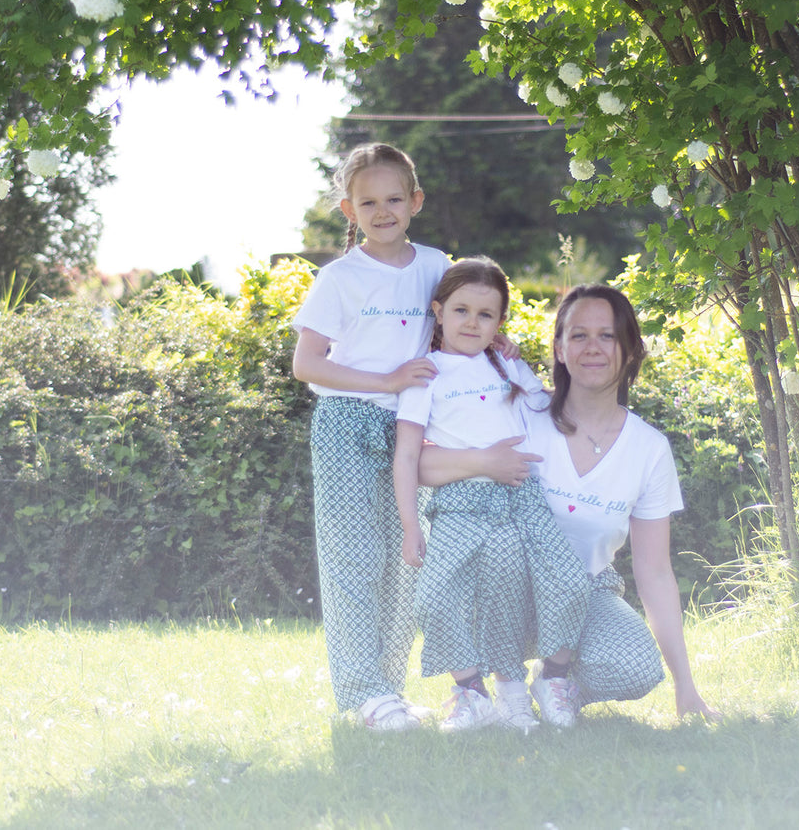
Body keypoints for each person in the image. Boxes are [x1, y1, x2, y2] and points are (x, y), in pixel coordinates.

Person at [419, 284, 718, 724]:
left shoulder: (648, 449)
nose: (592, 348)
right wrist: (485, 460)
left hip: (586, 589)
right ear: (559, 348)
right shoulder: (521, 412)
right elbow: (421, 464)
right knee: (498, 554)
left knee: (635, 668)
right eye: (578, 335)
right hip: (502, 590)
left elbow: (654, 572)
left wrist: (686, 687)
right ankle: (488, 689)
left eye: (608, 336)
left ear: (631, 349)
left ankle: (556, 681)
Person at [290, 142, 452, 732]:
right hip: (347, 424)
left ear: (415, 201)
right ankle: (362, 692)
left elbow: (459, 331)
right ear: (348, 211)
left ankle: (391, 690)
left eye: (393, 198)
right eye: (368, 202)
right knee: (355, 560)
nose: (383, 211)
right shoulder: (339, 279)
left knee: (410, 558)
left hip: (414, 427)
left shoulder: (437, 265)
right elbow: (307, 363)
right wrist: (383, 379)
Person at [392, 258, 589, 733]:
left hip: (522, 497)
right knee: (433, 598)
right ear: (438, 311)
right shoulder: (426, 374)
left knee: (564, 584)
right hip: (460, 503)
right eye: (460, 310)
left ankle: (539, 683)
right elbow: (405, 455)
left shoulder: (504, 366)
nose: (471, 323)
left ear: (500, 322)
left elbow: (545, 408)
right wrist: (411, 525)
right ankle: (472, 691)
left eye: (486, 315)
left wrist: (516, 361)